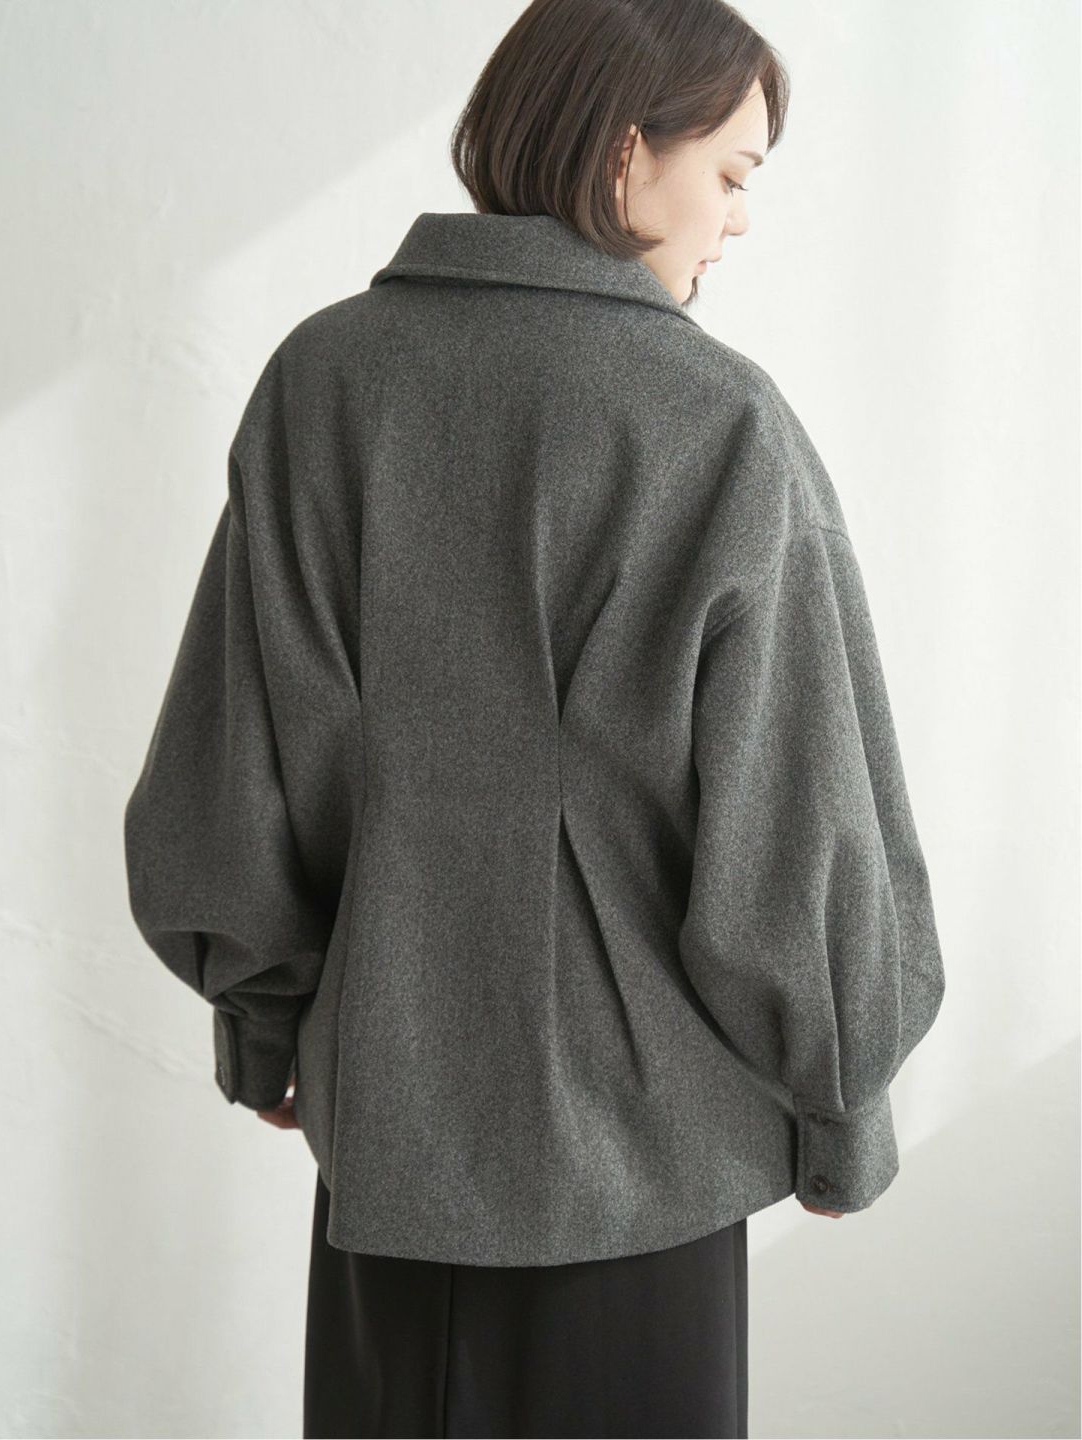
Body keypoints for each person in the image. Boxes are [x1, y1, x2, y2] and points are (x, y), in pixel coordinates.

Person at [122, 0, 947, 1435]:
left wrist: (264, 1023)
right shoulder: (719, 424)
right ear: (627, 153)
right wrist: (840, 1108)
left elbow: (240, 758)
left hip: (390, 1156)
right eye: (732, 174)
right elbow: (801, 825)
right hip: (646, 1186)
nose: (740, 219)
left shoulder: (324, 383)